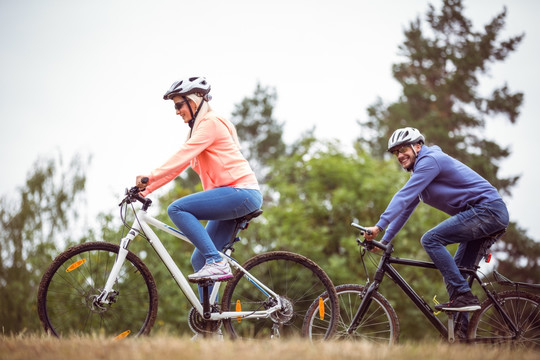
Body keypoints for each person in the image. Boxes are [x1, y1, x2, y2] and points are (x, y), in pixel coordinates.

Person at [363, 127, 509, 312]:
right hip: (482, 215)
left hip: (488, 211)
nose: (399, 155)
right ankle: (462, 334)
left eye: (403, 149)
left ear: (417, 146)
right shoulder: (421, 172)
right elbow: (405, 209)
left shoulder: (429, 161)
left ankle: (464, 295)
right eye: (396, 152)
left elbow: (403, 196)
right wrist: (384, 240)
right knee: (455, 276)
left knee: (431, 240)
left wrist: (379, 226)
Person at [136, 76, 262, 283]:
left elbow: (181, 156)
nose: (177, 111)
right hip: (234, 196)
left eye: (178, 105)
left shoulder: (210, 123)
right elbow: (177, 168)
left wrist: (149, 178)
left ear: (194, 101)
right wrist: (145, 190)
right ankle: (211, 314)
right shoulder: (198, 130)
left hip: (242, 192)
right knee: (199, 259)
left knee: (176, 209)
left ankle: (216, 262)